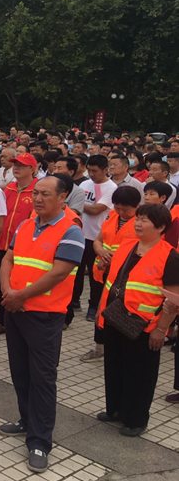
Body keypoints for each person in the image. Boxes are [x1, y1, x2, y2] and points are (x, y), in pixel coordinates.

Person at [0, 175, 85, 474]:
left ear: (62, 197)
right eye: (35, 193)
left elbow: (59, 273)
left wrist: (20, 296)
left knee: (43, 379)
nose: (37, 198)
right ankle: (26, 420)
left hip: (44, 316)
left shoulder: (71, 231)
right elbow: (7, 259)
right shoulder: (25, 225)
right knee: (20, 372)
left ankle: (40, 441)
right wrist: (8, 292)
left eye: (45, 194)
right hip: (15, 310)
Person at [96, 203, 179, 436]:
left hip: (144, 327)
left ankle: (136, 420)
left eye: (145, 220)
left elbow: (174, 300)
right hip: (114, 318)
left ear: (161, 227)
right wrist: (101, 311)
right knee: (114, 367)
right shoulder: (127, 245)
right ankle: (115, 410)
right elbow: (112, 281)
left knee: (140, 376)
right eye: (138, 219)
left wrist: (161, 329)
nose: (138, 224)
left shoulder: (170, 256)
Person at [80, 186, 143, 362]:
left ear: (137, 205)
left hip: (123, 277)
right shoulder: (112, 216)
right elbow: (98, 240)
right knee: (99, 308)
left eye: (125, 209)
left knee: (118, 312)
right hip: (101, 271)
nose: (121, 212)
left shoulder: (141, 223)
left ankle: (117, 350)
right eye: (117, 207)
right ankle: (99, 348)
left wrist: (109, 261)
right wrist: (100, 251)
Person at [0, 153, 38, 336]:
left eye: (21, 165)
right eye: (15, 165)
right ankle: (3, 321)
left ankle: (21, 321)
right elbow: (1, 217)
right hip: (4, 244)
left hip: (25, 248)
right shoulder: (9, 188)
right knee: (1, 284)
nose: (16, 168)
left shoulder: (37, 190)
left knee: (21, 283)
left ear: (32, 169)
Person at [80, 155, 118, 322]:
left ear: (105, 170)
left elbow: (96, 210)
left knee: (95, 275)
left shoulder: (111, 188)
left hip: (97, 237)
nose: (91, 174)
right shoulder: (84, 184)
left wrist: (76, 204)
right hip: (80, 234)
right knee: (76, 272)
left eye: (95, 171)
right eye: (89, 170)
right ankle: (74, 301)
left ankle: (94, 305)